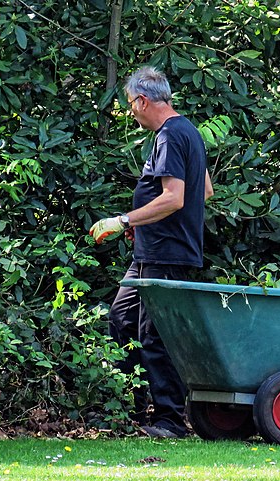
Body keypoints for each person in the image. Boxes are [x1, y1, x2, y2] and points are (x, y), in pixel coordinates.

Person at [88, 65, 213, 439]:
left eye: (130, 104)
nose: (130, 112)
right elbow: (204, 190)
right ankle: (128, 408)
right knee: (123, 321)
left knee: (155, 335)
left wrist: (124, 221)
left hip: (166, 255)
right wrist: (145, 223)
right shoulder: (187, 131)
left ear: (142, 100)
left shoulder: (170, 135)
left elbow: (175, 198)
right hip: (152, 251)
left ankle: (170, 420)